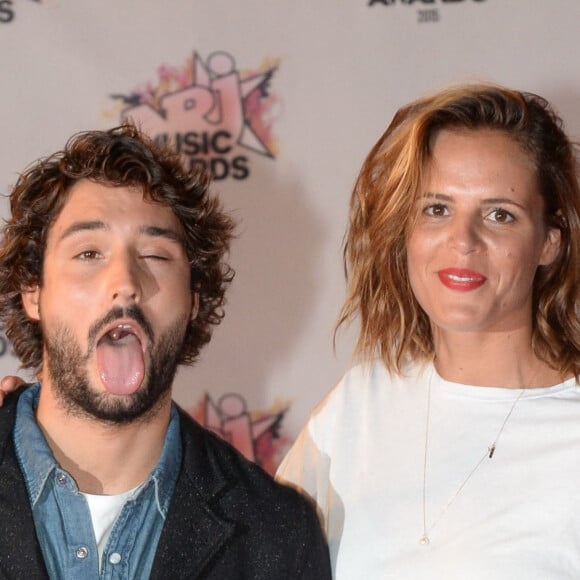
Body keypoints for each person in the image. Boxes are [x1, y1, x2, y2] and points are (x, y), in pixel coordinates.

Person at [277, 83, 580, 579]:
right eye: (437, 209)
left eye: (499, 214)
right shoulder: (358, 405)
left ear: (548, 242)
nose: (462, 241)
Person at [0, 125, 331, 579]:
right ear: (33, 293)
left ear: (194, 299)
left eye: (155, 255)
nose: (125, 284)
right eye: (89, 253)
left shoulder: (276, 533)